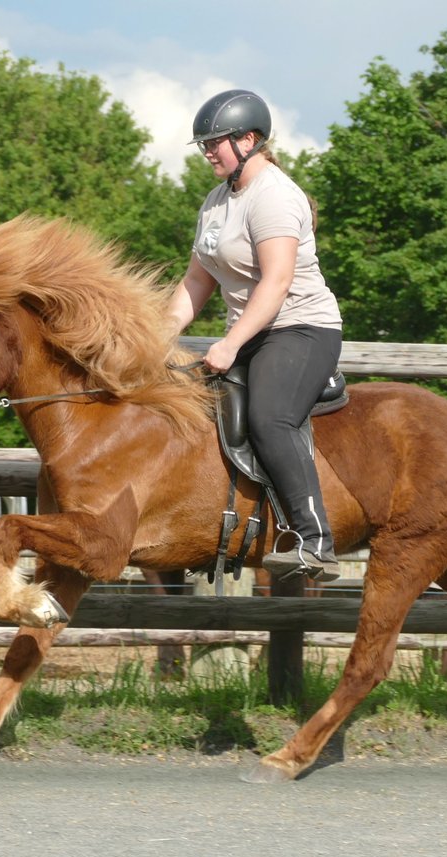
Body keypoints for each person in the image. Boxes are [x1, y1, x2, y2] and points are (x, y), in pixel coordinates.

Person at [168, 88, 343, 582]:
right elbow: (196, 281)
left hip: (300, 328)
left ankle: (314, 541)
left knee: (269, 420)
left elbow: (277, 281)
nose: (207, 152)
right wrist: (155, 334)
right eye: (203, 144)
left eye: (215, 142)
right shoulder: (216, 201)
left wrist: (228, 344)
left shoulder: (275, 195)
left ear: (249, 139)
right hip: (249, 332)